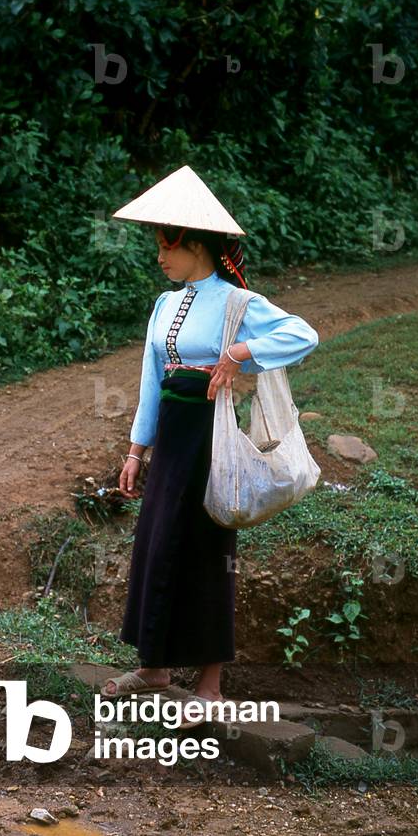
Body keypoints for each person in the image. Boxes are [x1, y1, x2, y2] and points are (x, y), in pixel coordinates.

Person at [100, 166, 319, 724]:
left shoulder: (235, 304)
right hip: (171, 438)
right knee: (155, 542)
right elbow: (152, 378)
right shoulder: (164, 305)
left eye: (165, 247)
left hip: (211, 440)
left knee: (205, 549)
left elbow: (303, 334)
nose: (159, 258)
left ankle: (211, 686)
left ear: (194, 245)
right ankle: (153, 667)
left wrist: (237, 355)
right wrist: (135, 451)